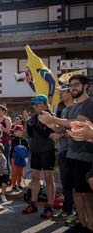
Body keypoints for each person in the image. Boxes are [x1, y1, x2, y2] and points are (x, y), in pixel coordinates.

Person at [39, 75, 93, 232]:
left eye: (76, 84)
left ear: (86, 86)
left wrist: (53, 119)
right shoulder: (71, 108)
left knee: (87, 195)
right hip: (70, 154)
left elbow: (76, 125)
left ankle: (90, 226)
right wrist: (48, 123)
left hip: (86, 156)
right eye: (71, 85)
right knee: (77, 193)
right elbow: (62, 129)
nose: (72, 88)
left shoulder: (89, 104)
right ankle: (82, 223)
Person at [22, 94, 56, 219]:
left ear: (45, 104)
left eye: (38, 103)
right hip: (35, 151)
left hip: (48, 151)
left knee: (48, 178)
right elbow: (30, 135)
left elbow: (49, 133)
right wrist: (28, 123)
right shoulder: (34, 118)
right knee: (35, 178)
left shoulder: (50, 116)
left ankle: (49, 207)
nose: (35, 106)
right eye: (34, 104)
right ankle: (33, 203)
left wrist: (34, 123)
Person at [47, 83, 76, 224]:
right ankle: (67, 211)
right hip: (64, 151)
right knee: (66, 184)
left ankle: (75, 214)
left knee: (76, 186)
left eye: (62, 92)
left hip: (74, 151)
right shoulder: (63, 110)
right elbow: (61, 129)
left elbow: (78, 130)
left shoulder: (76, 109)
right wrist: (52, 125)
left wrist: (60, 135)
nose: (60, 94)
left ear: (70, 92)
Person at [10, 125, 29, 192]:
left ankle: (19, 184)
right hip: (14, 158)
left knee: (20, 173)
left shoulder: (25, 140)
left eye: (16, 131)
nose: (14, 132)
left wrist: (26, 157)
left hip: (21, 159)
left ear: (21, 131)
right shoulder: (13, 139)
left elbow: (27, 149)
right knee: (14, 172)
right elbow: (12, 148)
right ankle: (13, 185)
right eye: (14, 131)